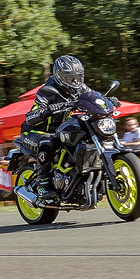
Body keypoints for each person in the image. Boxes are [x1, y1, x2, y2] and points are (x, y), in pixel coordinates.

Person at [19, 54, 92, 205]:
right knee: (48, 141)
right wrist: (46, 110)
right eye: (70, 77)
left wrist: (107, 100)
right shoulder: (47, 91)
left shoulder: (80, 88)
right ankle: (43, 185)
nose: (74, 81)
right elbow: (30, 117)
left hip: (59, 130)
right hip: (33, 132)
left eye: (77, 77)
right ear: (59, 76)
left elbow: (92, 97)